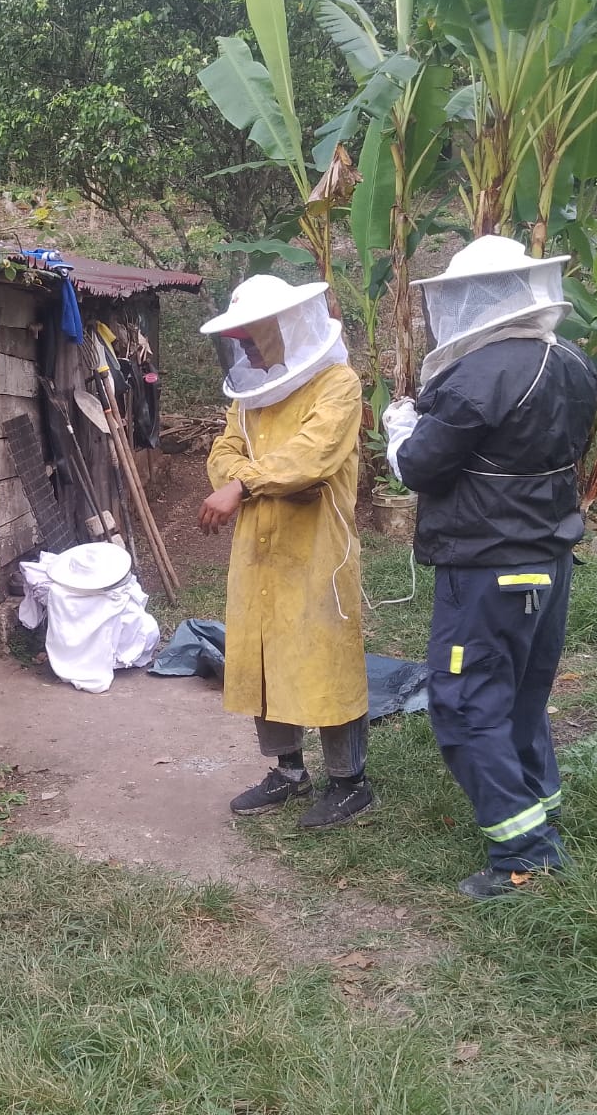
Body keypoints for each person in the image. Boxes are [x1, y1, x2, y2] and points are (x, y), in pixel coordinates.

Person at [382, 235, 597, 899]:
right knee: (523, 696)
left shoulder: (479, 375)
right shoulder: (573, 361)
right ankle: (539, 810)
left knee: (465, 703)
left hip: (488, 567)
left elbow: (419, 467)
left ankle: (524, 855)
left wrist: (399, 428)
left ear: (474, 299)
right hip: (548, 558)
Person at [200, 274, 375, 830]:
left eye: (251, 336)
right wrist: (248, 482)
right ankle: (288, 770)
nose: (245, 349)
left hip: (318, 547)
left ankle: (350, 782)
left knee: (325, 654)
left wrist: (244, 484)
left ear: (285, 328)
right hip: (259, 547)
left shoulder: (337, 384)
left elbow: (312, 457)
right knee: (263, 651)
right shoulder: (249, 394)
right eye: (239, 340)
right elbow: (222, 453)